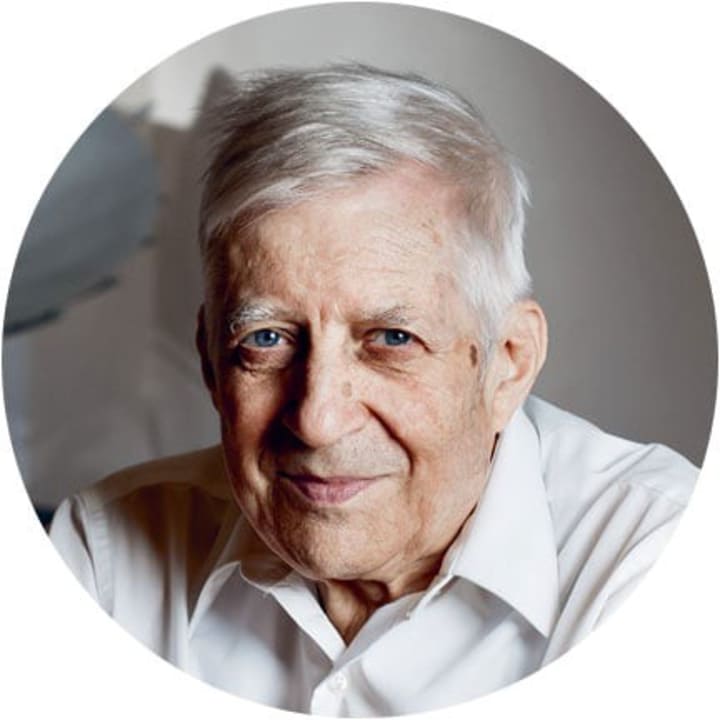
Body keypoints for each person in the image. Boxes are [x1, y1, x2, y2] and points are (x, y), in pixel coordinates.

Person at [49, 64, 697, 716]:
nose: (318, 419)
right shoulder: (106, 560)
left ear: (509, 363)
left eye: (391, 339)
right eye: (267, 339)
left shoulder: (659, 560)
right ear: (211, 362)